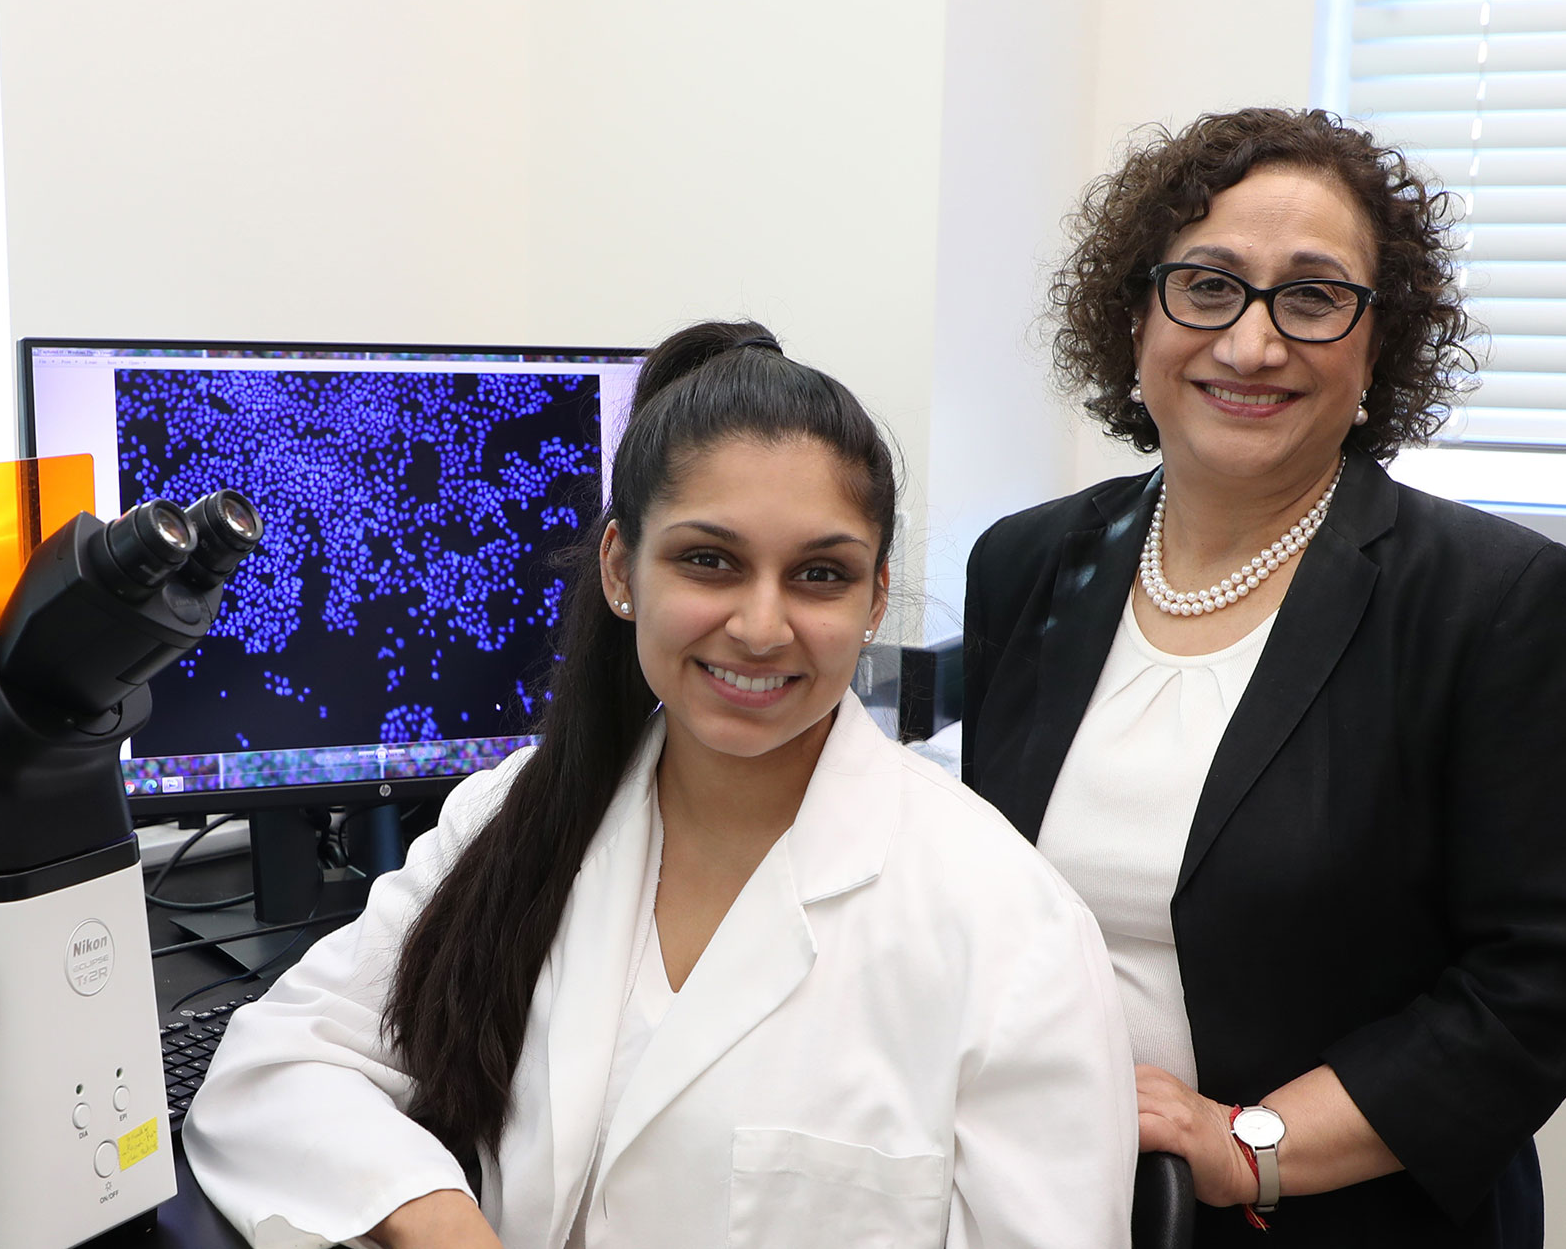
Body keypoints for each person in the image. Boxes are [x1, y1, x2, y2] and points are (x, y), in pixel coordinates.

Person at [188, 322, 1135, 1248]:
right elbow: (279, 1067)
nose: (762, 628)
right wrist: (435, 1216)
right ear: (618, 568)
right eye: (709, 561)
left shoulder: (1011, 929)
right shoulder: (516, 818)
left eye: (819, 574)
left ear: (876, 597)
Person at [958, 107, 1566, 1247]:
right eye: (1207, 286)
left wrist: (1249, 1147)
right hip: (1042, 1199)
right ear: (1135, 317)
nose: (1251, 343)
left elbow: (1548, 983)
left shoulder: (1490, 598)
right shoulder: (1025, 564)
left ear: (1378, 345)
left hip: (1336, 1215)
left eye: (1312, 297)